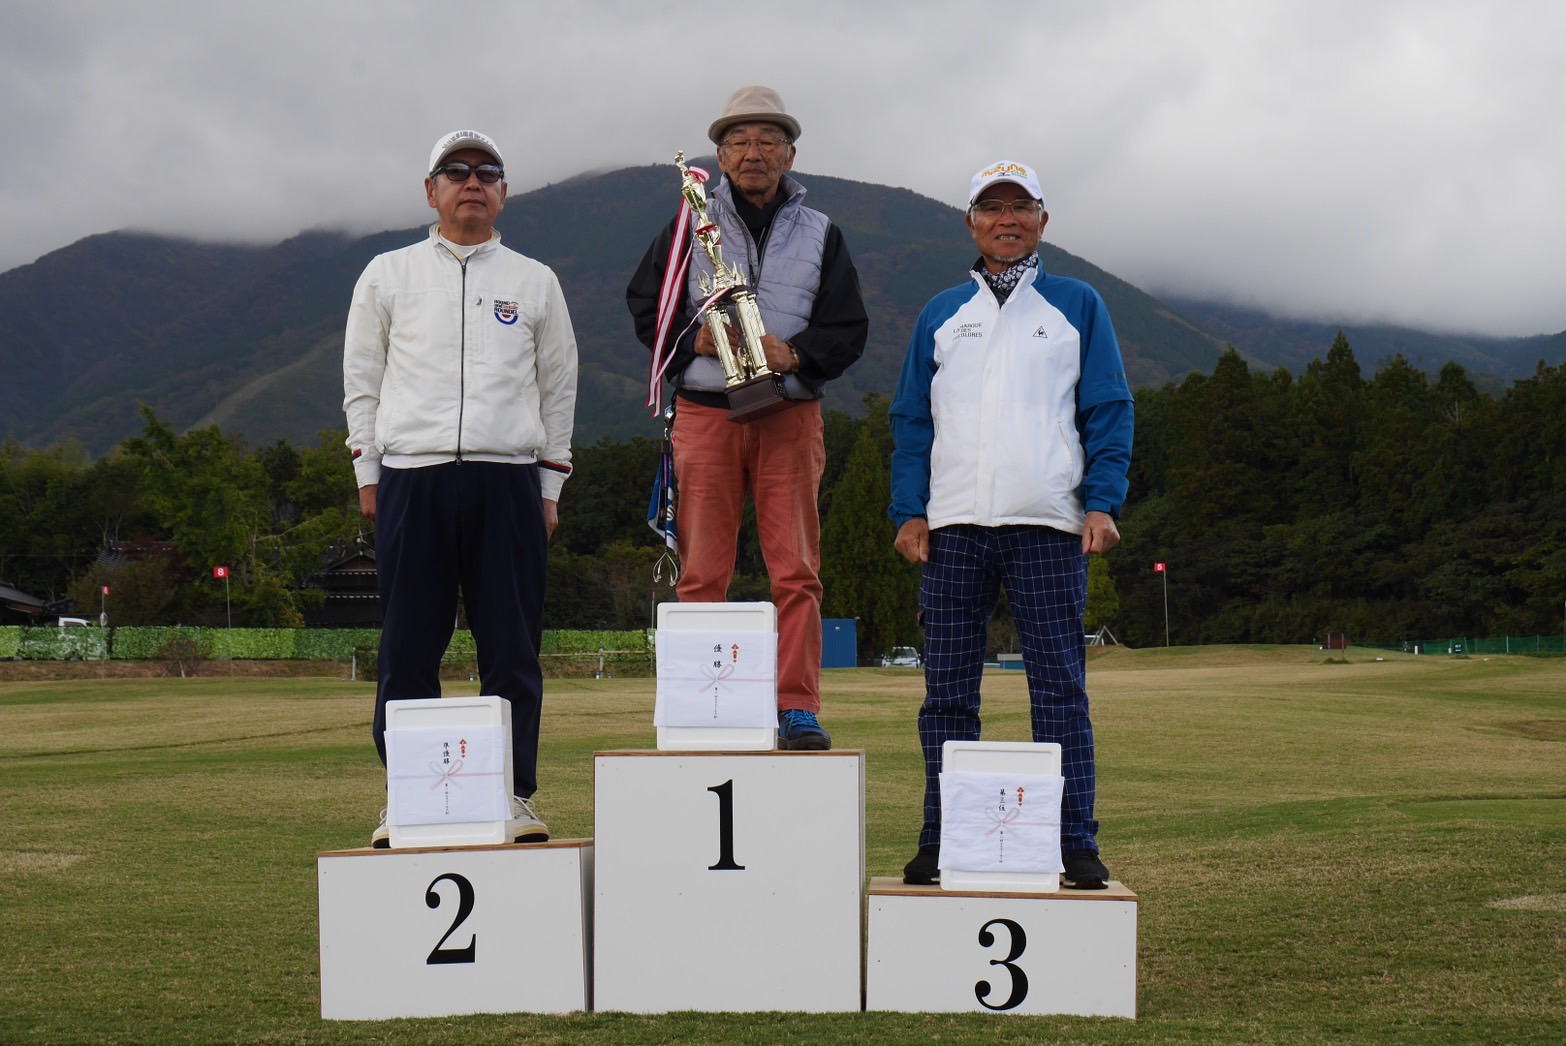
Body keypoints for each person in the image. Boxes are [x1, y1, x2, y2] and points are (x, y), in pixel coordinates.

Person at [889, 161, 1133, 888]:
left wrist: (1102, 500)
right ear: (971, 222)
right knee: (948, 694)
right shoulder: (940, 312)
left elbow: (1108, 409)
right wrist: (909, 511)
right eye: (991, 207)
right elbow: (910, 420)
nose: (1007, 219)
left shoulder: (1077, 304)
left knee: (1059, 689)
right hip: (954, 525)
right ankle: (943, 837)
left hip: (1049, 523)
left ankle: (1073, 841)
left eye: (1020, 206)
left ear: (1042, 219)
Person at [343, 129, 579, 847]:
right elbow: (363, 379)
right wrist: (368, 471)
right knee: (408, 646)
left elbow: (558, 385)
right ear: (431, 190)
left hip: (507, 478)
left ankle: (511, 794)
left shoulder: (534, 279)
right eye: (456, 171)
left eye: (487, 172)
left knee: (511, 647)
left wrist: (550, 485)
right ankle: (408, 796)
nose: (471, 182)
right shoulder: (387, 273)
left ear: (503, 193)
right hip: (412, 476)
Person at [627, 86, 868, 750]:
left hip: (789, 413)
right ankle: (708, 707)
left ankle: (796, 706)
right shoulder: (687, 222)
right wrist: (693, 338)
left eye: (767, 140)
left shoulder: (821, 232)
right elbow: (647, 307)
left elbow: (849, 327)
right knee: (703, 570)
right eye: (739, 141)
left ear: (790, 153)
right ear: (720, 155)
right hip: (705, 414)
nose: (753, 153)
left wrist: (798, 353)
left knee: (796, 570)